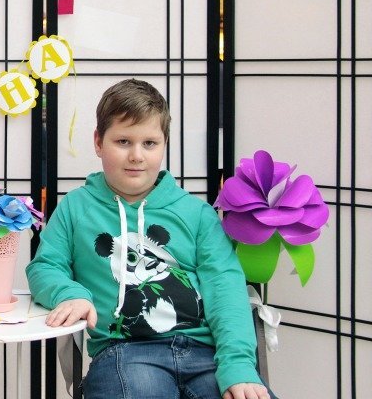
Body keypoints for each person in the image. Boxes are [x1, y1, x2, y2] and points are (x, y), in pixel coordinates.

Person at [26, 79, 273, 399]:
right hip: (125, 352)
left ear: (164, 144)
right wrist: (70, 294)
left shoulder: (197, 214)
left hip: (206, 354)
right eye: (123, 141)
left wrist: (238, 365)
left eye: (150, 143)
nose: (136, 156)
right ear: (98, 142)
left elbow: (226, 291)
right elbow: (45, 266)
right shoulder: (75, 208)